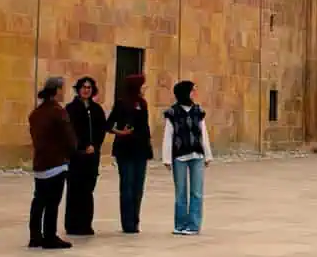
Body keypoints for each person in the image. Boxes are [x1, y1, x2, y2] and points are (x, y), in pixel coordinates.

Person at [26, 77, 77, 250]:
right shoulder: (58, 112)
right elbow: (69, 137)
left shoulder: (36, 113)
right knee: (52, 201)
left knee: (39, 199)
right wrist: (72, 151)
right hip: (56, 162)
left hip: (40, 162)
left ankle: (35, 235)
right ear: (57, 90)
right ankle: (49, 236)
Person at [161, 79, 213, 235]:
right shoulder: (172, 113)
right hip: (179, 156)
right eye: (192, 90)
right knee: (181, 192)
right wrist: (167, 158)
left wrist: (207, 154)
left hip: (196, 155)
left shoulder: (198, 111)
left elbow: (203, 133)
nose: (194, 93)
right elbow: (168, 135)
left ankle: (193, 225)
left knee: (196, 191)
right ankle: (180, 224)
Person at [106, 73, 151, 233]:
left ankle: (135, 221)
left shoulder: (142, 103)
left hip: (141, 150)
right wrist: (121, 132)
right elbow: (108, 125)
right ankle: (127, 223)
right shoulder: (121, 103)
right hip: (125, 149)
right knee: (127, 186)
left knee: (138, 186)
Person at [63, 76, 108, 237]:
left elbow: (101, 130)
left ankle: (85, 224)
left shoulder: (97, 109)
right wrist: (81, 146)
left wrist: (94, 146)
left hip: (92, 157)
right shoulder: (71, 109)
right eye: (83, 87)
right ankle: (72, 225)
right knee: (74, 189)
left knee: (88, 190)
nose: (86, 90)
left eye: (89, 87)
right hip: (76, 156)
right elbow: (69, 131)